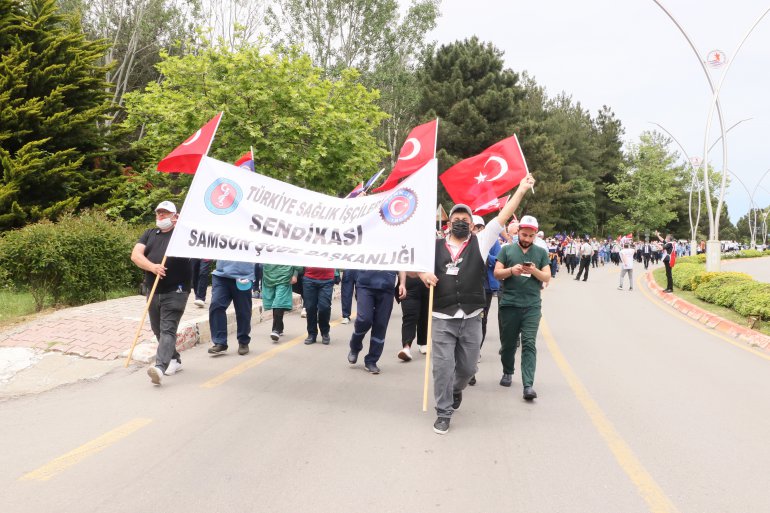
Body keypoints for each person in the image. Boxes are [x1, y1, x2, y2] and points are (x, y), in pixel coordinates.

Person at [416, 175, 535, 435]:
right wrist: (423, 275)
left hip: (471, 317)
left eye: (465, 221)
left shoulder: (480, 243)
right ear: (449, 223)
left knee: (468, 368)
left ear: (472, 225)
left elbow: (503, 216)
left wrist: (522, 190)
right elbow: (410, 264)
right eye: (456, 220)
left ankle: (456, 389)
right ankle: (444, 411)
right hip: (442, 317)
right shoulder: (433, 246)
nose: (460, 223)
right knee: (442, 367)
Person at [130, 201, 192, 385]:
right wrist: (153, 267)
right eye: (159, 213)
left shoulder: (182, 234)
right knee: (158, 329)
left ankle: (160, 367)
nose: (161, 216)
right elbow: (135, 255)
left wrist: (183, 226)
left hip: (177, 290)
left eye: (165, 213)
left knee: (167, 328)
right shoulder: (150, 233)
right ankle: (174, 359)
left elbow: (195, 240)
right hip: (153, 290)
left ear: (175, 216)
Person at [493, 215, 550, 401]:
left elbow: (547, 278)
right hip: (509, 305)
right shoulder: (506, 250)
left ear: (535, 236)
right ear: (518, 233)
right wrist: (512, 270)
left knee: (528, 343)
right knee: (508, 344)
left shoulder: (541, 253)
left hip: (532, 306)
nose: (526, 239)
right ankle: (508, 371)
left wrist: (534, 271)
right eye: (524, 235)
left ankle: (528, 385)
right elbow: (497, 273)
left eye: (530, 236)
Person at [347, 270, 406, 373]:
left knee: (381, 324)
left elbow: (402, 264)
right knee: (364, 319)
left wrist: (402, 284)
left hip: (387, 287)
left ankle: (371, 360)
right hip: (365, 284)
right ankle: (355, 346)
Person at [207, 259, 255, 355]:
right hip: (221, 275)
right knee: (216, 305)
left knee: (243, 310)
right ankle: (220, 342)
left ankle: (243, 341)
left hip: (243, 276)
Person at [262, 264, 300, 341]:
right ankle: (279, 327)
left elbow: (296, 258)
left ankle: (276, 329)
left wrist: (295, 274)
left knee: (278, 302)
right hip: (269, 276)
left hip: (284, 276)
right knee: (274, 302)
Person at [399, 275, 430, 360]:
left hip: (428, 284)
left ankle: (423, 342)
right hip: (408, 286)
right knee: (409, 316)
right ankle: (406, 347)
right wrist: (401, 283)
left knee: (425, 315)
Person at [302, 266, 334, 344]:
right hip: (309, 278)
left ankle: (325, 332)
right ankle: (312, 334)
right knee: (310, 307)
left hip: (327, 279)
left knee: (324, 307)